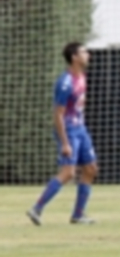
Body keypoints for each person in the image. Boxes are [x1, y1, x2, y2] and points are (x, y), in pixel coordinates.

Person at [27, 42, 98, 226]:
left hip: (80, 129)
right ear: (74, 57)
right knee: (68, 173)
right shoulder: (65, 83)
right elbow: (57, 114)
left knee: (91, 169)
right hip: (69, 130)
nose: (88, 54)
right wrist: (65, 142)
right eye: (84, 52)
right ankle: (37, 208)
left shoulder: (82, 76)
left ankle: (78, 215)